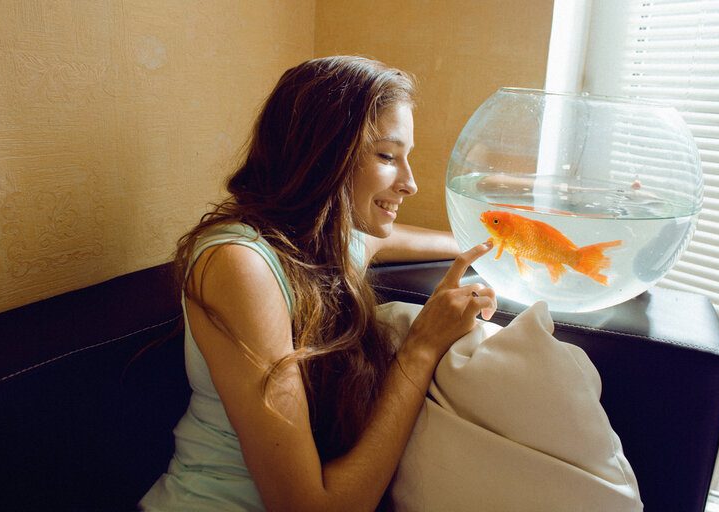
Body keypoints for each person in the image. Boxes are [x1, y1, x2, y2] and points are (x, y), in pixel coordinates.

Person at [140, 55, 496, 512]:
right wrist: (422, 346)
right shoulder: (239, 265)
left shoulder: (327, 241)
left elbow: (384, 240)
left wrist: (485, 242)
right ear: (323, 154)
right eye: (387, 156)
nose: (410, 183)